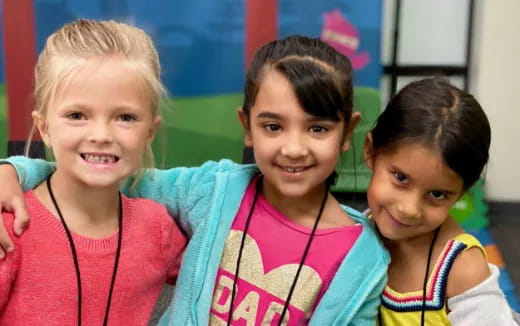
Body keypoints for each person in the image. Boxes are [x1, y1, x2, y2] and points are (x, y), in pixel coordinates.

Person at [0, 35, 389, 325]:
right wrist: (14, 171)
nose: (293, 148)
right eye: (273, 126)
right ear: (247, 127)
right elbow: (100, 174)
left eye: (317, 129)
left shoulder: (365, 257)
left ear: (347, 132)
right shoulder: (212, 191)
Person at [0, 19, 186, 325]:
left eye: (125, 117)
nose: (101, 134)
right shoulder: (11, 229)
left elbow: (214, 283)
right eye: (77, 115)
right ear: (44, 127)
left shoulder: (158, 229)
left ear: (149, 132)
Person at [364, 78, 518, 325]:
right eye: (401, 178)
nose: (409, 209)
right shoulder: (360, 233)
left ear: (462, 192)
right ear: (370, 151)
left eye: (437, 194)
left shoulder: (462, 270)